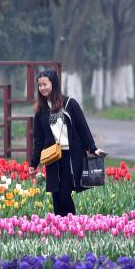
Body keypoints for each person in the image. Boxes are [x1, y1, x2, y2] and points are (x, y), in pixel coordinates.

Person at [29, 69, 106, 216]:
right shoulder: (40, 110)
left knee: (65, 194)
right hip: (52, 158)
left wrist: (93, 148)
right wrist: (33, 163)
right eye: (40, 85)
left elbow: (83, 127)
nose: (42, 88)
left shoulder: (70, 103)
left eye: (45, 84)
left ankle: (71, 224)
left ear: (54, 84)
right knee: (56, 196)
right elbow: (38, 139)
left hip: (70, 157)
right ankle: (61, 228)